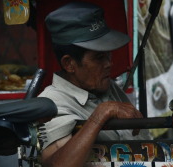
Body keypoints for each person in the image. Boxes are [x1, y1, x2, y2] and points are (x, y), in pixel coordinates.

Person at [38, 2, 151, 167]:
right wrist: (100, 115)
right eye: (99, 58)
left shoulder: (105, 86)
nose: (108, 64)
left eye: (108, 55)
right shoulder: (52, 104)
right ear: (69, 64)